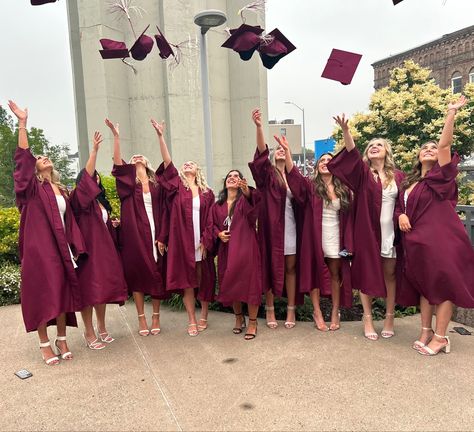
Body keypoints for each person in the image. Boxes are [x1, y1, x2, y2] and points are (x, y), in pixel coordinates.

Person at [9, 100, 86, 365]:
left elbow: (72, 219)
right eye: (39, 157)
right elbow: (21, 161)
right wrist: (22, 124)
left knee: (63, 292)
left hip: (61, 248)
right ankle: (44, 343)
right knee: (43, 293)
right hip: (39, 251)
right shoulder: (30, 190)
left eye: (45, 156)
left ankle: (62, 339)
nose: (44, 158)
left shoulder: (61, 190)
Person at [396, 95, 474, 355]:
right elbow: (400, 206)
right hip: (417, 244)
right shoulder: (409, 182)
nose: (430, 150)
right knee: (425, 286)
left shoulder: (442, 176)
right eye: (424, 148)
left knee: (444, 285)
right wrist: (400, 215)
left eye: (432, 148)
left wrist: (451, 113)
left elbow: (444, 146)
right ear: (418, 157)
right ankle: (425, 330)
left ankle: (441, 337)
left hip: (443, 242)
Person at [329, 115, 404, 341]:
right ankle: (368, 318)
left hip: (390, 233)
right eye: (370, 145)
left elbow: (405, 202)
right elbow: (351, 154)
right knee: (366, 273)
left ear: (386, 151)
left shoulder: (398, 176)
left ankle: (389, 317)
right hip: (367, 232)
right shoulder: (363, 173)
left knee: (390, 274)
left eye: (378, 145)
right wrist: (346, 131)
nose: (374, 147)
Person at [277, 135, 353, 331]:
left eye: (329, 160)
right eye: (322, 161)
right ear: (316, 166)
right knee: (315, 274)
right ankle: (317, 312)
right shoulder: (310, 186)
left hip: (336, 235)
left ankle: (335, 311)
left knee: (336, 274)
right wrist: (286, 151)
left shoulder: (344, 188)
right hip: (314, 236)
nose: (325, 163)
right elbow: (293, 175)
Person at [153, 119, 216, 337]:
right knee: (188, 282)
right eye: (185, 163)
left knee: (204, 279)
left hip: (202, 243)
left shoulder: (207, 193)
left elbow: (211, 220)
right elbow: (168, 164)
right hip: (183, 243)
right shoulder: (177, 188)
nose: (187, 164)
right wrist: (161, 137)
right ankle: (191, 319)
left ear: (198, 169)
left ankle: (204, 315)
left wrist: (207, 241)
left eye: (192, 163)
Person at [108, 119, 168, 337]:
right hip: (134, 234)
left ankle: (156, 316)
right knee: (138, 273)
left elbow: (165, 209)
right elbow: (117, 163)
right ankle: (142, 318)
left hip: (156, 231)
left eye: (141, 156)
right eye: (133, 157)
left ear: (148, 162)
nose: (137, 157)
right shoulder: (127, 183)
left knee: (157, 272)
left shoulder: (157, 184)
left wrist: (163, 235)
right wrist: (116, 136)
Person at [70, 131, 128, 349]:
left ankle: (102, 328)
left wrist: (112, 225)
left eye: (96, 178)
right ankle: (89, 331)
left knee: (101, 290)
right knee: (88, 293)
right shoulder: (77, 199)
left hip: (103, 251)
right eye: (90, 177)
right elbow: (86, 178)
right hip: (86, 252)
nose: (94, 180)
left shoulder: (99, 204)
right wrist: (94, 151)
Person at [248, 108, 298, 329]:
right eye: (276, 149)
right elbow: (260, 154)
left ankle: (291, 310)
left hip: (292, 229)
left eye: (283, 149)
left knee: (290, 269)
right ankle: (269, 309)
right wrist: (259, 128)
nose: (279, 151)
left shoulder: (295, 176)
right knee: (269, 265)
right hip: (271, 229)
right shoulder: (268, 175)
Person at [203, 170, 262, 339]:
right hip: (227, 250)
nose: (232, 178)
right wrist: (218, 234)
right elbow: (211, 224)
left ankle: (252, 322)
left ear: (241, 181)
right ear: (225, 182)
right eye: (229, 176)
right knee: (231, 283)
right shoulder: (217, 205)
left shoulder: (245, 199)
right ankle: (238, 318)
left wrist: (247, 192)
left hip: (246, 247)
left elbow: (253, 210)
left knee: (250, 284)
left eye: (236, 176)